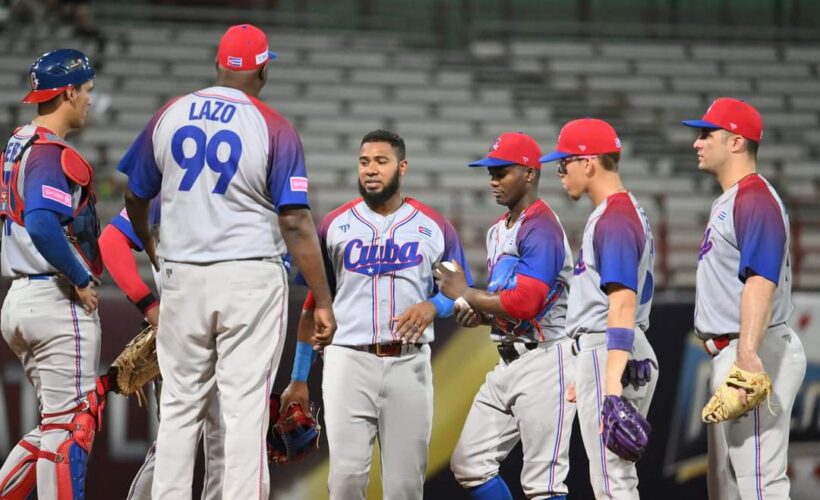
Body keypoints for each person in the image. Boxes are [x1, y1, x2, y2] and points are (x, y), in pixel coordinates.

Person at [117, 24, 335, 499]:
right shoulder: (272, 125)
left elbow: (135, 195)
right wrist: (322, 298)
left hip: (182, 276)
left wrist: (151, 246)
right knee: (241, 409)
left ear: (218, 65)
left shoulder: (170, 114)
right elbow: (296, 221)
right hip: (248, 279)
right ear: (263, 68)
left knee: (178, 408)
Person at [279, 129, 473, 500]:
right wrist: (299, 377)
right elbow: (312, 306)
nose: (370, 169)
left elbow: (458, 293)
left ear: (402, 167)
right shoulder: (334, 226)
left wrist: (433, 305)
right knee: (347, 479)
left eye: (381, 161)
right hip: (348, 360)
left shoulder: (433, 226)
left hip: (409, 364)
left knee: (405, 484)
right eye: (364, 161)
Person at [434, 132, 576, 500]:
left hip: (548, 360)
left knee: (543, 484)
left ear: (529, 174)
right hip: (508, 359)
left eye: (502, 171)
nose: (493, 180)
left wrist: (465, 293)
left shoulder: (542, 226)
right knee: (470, 463)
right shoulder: (498, 230)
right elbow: (509, 304)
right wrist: (481, 316)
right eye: (490, 172)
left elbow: (527, 303)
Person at [682, 98, 806, 499]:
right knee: (727, 486)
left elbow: (760, 281)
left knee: (759, 485)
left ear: (736, 142)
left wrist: (748, 357)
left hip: (754, 347)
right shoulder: (733, 198)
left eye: (706, 134)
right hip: (739, 347)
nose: (697, 143)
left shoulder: (754, 198)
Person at [0, 48, 104, 499]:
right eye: (85, 91)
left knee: (53, 427)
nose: (89, 101)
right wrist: (80, 278)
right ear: (67, 92)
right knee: (72, 428)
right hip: (53, 297)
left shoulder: (17, 141)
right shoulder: (48, 151)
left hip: (20, 297)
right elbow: (43, 222)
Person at [540, 118, 658, 499]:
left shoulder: (615, 217)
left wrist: (609, 386)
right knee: (616, 476)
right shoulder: (622, 211)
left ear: (588, 163)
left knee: (612, 481)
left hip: (610, 347)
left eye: (564, 164)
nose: (560, 173)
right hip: (614, 347)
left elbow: (621, 303)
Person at [97, 199, 227, 500]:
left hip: (210, 339)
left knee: (191, 448)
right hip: (194, 337)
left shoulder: (178, 183)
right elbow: (112, 242)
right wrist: (150, 307)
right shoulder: (165, 188)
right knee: (185, 449)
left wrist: (151, 308)